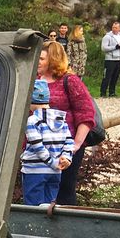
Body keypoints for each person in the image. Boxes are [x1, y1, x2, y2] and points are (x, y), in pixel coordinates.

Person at [37, 40, 95, 205]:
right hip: (38, 147)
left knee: (64, 190)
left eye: (41, 58)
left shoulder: (69, 80)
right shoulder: (33, 79)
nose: (37, 62)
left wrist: (76, 145)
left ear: (53, 59)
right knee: (38, 190)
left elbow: (86, 113)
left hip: (65, 147)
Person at [22, 79, 74, 206]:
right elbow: (69, 141)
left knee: (33, 207)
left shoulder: (33, 120)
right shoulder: (61, 121)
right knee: (49, 206)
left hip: (34, 170)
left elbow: (37, 146)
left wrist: (52, 162)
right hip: (55, 172)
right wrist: (66, 158)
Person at [100, 21, 120, 97]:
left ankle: (112, 92)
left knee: (115, 76)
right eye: (113, 27)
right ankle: (103, 92)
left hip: (119, 59)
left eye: (116, 27)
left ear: (119, 28)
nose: (114, 29)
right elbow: (104, 48)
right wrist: (115, 47)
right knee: (107, 77)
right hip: (110, 59)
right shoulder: (107, 37)